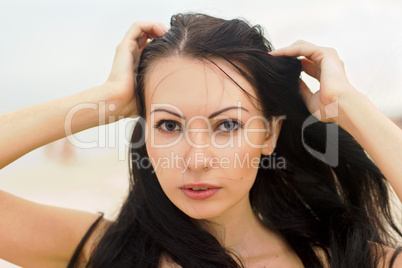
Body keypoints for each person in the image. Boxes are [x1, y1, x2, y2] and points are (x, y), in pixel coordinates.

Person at [1, 12, 402, 268]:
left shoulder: (345, 259)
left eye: (227, 125)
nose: (195, 160)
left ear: (270, 135)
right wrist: (107, 99)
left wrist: (346, 105)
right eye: (169, 125)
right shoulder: (104, 253)